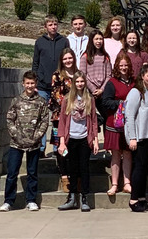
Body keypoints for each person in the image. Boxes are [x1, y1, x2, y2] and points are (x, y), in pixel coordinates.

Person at [1, 70, 51, 212]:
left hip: (34, 144)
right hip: (17, 143)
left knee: (32, 173)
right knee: (12, 173)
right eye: (27, 83)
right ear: (23, 84)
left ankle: (31, 200)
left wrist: (37, 136)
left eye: (32, 83)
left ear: (36, 84)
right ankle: (8, 200)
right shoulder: (16, 101)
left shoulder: (41, 102)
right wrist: (16, 135)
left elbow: (44, 121)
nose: (29, 86)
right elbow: (10, 119)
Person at [57, 71, 99, 211]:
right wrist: (62, 142)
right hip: (71, 138)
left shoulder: (89, 99)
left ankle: (84, 197)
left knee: (84, 168)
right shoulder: (67, 99)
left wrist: (95, 140)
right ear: (74, 83)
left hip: (84, 138)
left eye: (82, 81)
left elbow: (93, 121)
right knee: (72, 169)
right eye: (77, 82)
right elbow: (62, 122)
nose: (80, 84)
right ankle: (72, 197)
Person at [125, 64, 148, 212]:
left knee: (143, 168)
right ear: (142, 76)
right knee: (139, 168)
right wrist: (132, 137)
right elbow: (129, 115)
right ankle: (133, 199)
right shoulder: (136, 92)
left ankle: (141, 198)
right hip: (140, 137)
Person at [31, 15, 69, 151]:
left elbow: (67, 61)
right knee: (41, 118)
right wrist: (36, 80)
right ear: (45, 27)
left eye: (55, 24)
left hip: (58, 87)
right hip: (42, 86)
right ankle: (41, 148)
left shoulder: (63, 41)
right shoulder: (39, 42)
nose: (53, 27)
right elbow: (35, 63)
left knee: (56, 120)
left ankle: (56, 147)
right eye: (50, 25)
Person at [100, 51, 134, 196]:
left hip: (130, 124)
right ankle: (114, 184)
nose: (124, 68)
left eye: (126, 65)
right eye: (121, 65)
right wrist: (121, 103)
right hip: (114, 123)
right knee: (115, 154)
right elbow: (105, 101)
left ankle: (127, 182)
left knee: (127, 153)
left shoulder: (134, 82)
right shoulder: (112, 83)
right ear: (117, 66)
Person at [49, 47, 77, 191]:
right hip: (60, 117)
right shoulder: (57, 76)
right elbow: (56, 96)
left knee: (73, 148)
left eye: (70, 58)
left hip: (77, 119)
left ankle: (74, 175)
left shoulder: (78, 75)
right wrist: (70, 106)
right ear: (62, 60)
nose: (68, 61)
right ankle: (64, 176)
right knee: (62, 148)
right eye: (65, 58)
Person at [80, 30, 112, 114]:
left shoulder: (106, 57)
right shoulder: (85, 57)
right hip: (90, 91)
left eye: (101, 39)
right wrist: (93, 89)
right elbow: (82, 75)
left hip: (103, 92)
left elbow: (109, 75)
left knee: (105, 115)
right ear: (92, 40)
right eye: (96, 39)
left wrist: (101, 90)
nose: (99, 41)